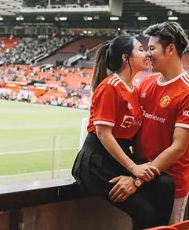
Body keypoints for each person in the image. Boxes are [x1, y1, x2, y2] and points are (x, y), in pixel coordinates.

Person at [72, 34, 175, 230]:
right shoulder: (110, 87)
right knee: (146, 214)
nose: (146, 54)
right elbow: (103, 134)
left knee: (166, 183)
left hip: (117, 158)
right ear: (126, 58)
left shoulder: (133, 90)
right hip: (97, 161)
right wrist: (134, 168)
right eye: (141, 50)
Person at [109, 22, 189, 224]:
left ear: (170, 48)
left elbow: (178, 148)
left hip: (170, 185)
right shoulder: (147, 82)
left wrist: (137, 180)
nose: (147, 54)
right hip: (143, 177)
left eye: (152, 48)